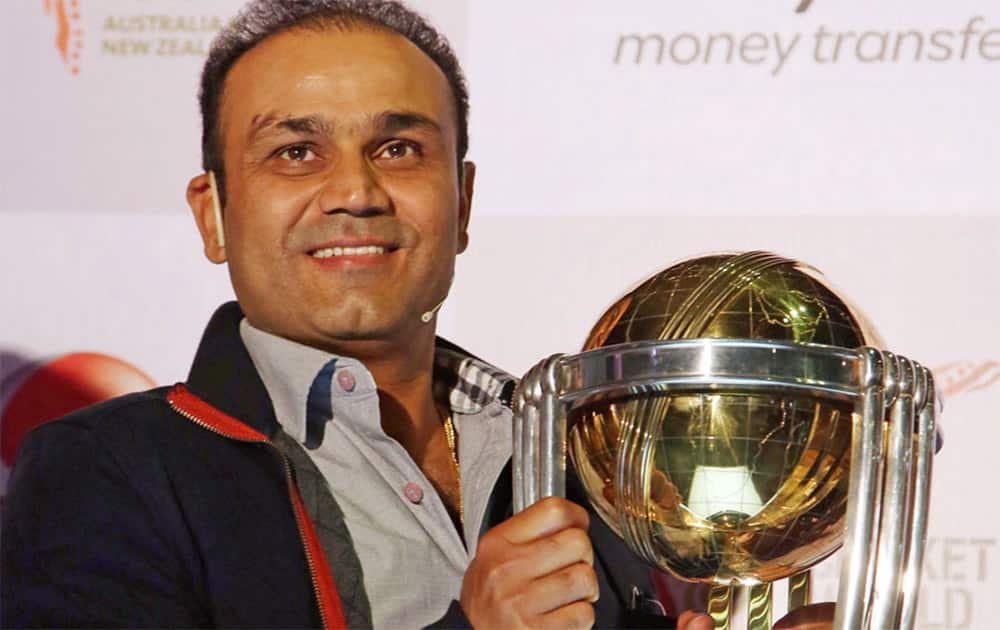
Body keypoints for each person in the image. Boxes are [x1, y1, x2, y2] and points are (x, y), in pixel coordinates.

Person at [2, 2, 830, 629]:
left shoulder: (600, 452)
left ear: (462, 202)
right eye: (297, 152)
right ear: (213, 213)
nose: (357, 192)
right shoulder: (107, 472)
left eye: (399, 149)